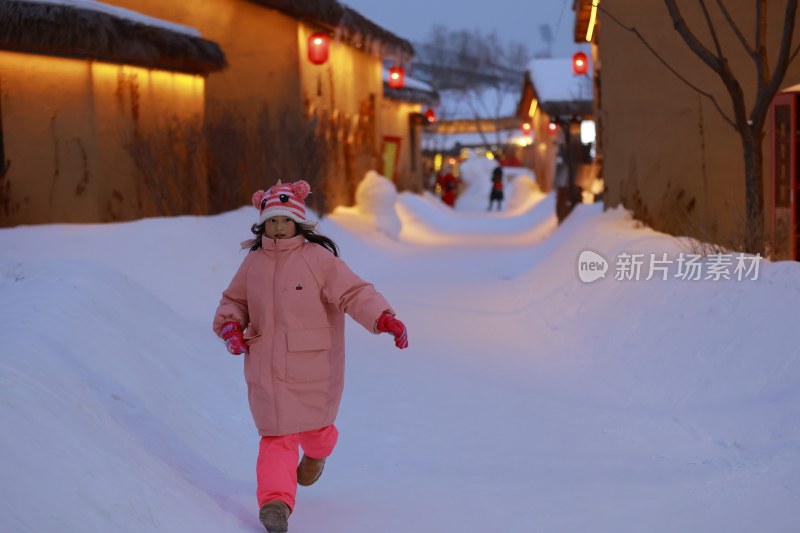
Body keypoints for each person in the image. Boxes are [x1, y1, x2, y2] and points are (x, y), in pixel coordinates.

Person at [212, 180, 408, 533]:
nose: (278, 227)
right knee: (276, 436)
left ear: (298, 223)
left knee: (317, 429)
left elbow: (353, 292)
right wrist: (230, 326)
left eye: (285, 220)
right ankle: (275, 504)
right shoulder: (253, 263)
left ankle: (317, 454)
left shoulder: (318, 259)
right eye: (271, 221)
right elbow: (234, 302)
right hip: (266, 367)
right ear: (262, 224)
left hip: (314, 365)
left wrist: (382, 318)